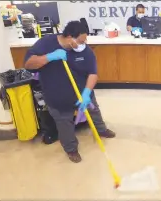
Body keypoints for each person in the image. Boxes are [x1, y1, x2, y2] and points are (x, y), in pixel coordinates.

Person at [24, 21, 116, 163]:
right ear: (69, 38)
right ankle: (71, 149)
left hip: (83, 92)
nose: (83, 43)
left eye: (85, 40)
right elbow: (28, 64)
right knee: (64, 123)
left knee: (94, 110)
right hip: (58, 96)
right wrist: (49, 57)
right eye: (80, 41)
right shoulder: (45, 43)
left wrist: (86, 93)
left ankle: (101, 129)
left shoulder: (86, 51)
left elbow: (93, 73)